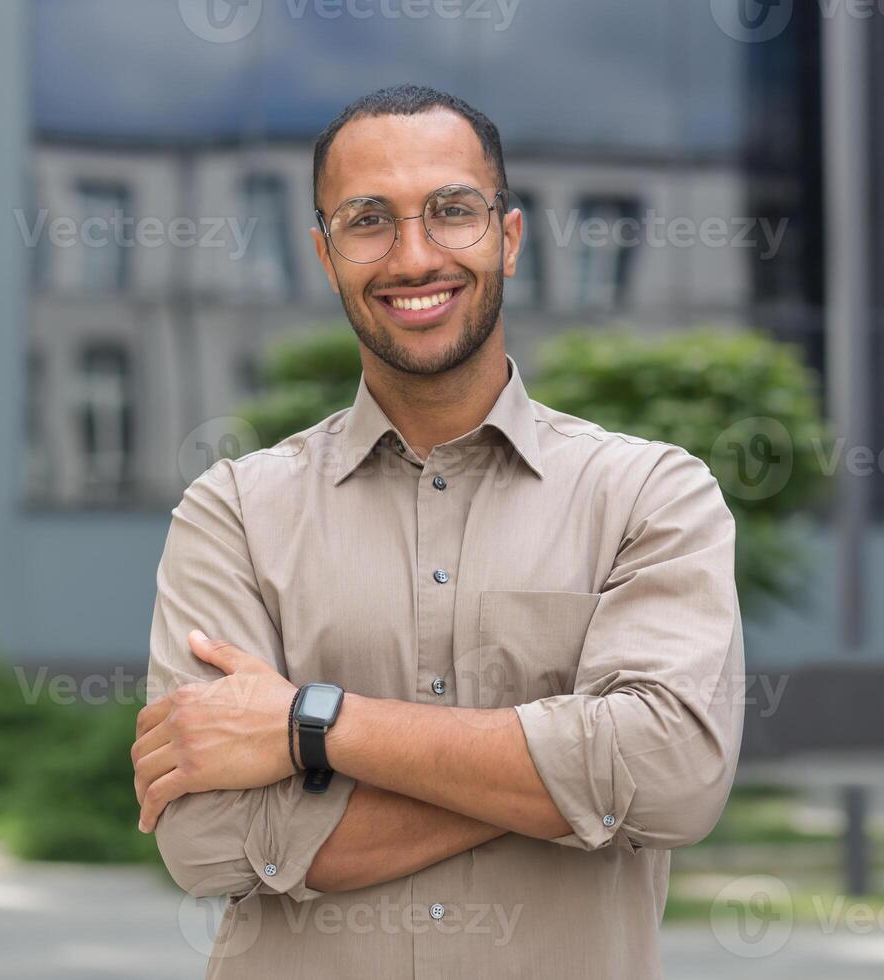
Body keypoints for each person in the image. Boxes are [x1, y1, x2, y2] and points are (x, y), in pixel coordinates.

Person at [131, 83, 745, 978]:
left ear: (509, 235)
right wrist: (568, 775)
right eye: (368, 220)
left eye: (452, 211)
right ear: (324, 252)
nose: (414, 256)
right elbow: (207, 838)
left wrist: (308, 724)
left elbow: (674, 773)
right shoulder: (233, 513)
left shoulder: (650, 494)